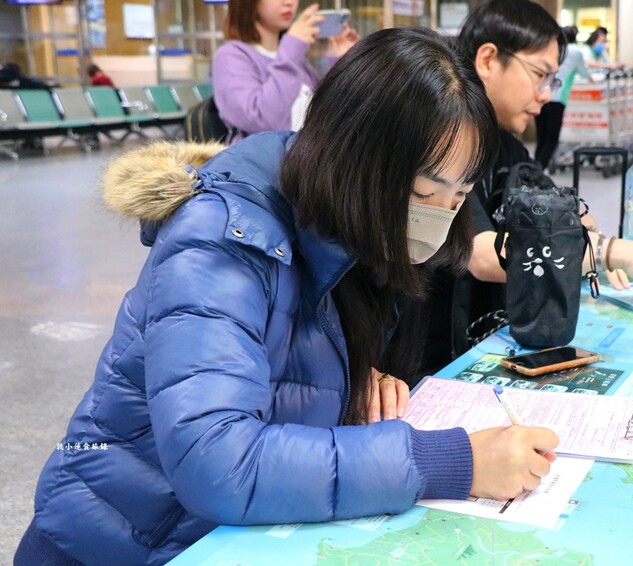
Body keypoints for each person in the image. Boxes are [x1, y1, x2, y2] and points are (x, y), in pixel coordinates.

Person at [14, 28, 560, 566]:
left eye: (458, 196)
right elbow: (217, 461)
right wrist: (452, 461)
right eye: (423, 192)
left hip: (235, 539)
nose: (439, 216)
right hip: (124, 546)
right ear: (353, 157)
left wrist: (347, 378)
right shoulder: (221, 236)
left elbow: (282, 356)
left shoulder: (355, 231)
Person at [408, 0, 633, 379]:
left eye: (553, 80)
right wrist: (609, 252)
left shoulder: (508, 146)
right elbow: (479, 253)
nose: (546, 94)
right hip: (431, 364)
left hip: (494, 340)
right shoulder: (446, 141)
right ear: (488, 60)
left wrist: (589, 244)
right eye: (539, 74)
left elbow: (574, 217)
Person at [211, 0, 359, 142]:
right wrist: (292, 47)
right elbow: (262, 121)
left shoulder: (293, 58)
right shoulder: (230, 56)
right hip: (260, 165)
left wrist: (340, 62)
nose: (289, 2)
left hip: (305, 162)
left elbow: (323, 112)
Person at [534, 25, 591, 169]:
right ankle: (539, 169)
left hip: (540, 94)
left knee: (542, 137)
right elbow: (585, 73)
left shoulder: (552, 49)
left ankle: (534, 167)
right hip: (558, 98)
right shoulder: (576, 52)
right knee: (552, 138)